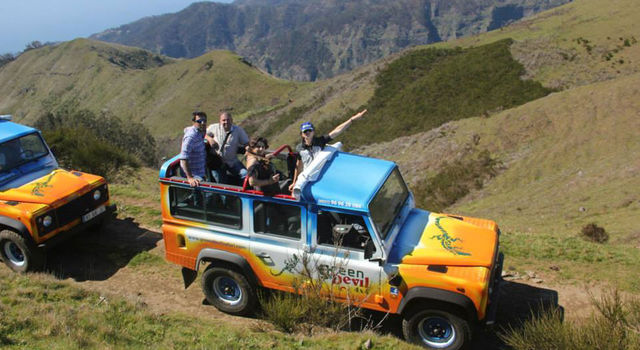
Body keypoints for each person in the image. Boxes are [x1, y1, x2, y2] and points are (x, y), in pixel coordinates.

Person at [289, 109, 367, 191]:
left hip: (321, 174)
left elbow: (336, 131)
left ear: (313, 132)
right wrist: (294, 182)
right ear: (302, 134)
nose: (307, 133)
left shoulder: (320, 141)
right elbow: (298, 165)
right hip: (307, 177)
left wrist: (352, 120)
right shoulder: (299, 148)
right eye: (305, 132)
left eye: (309, 131)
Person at [205, 112, 250, 184]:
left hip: (232, 161)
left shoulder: (238, 130)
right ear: (220, 121)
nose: (226, 122)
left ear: (232, 120)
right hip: (218, 162)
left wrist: (248, 150)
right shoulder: (214, 127)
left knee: (245, 174)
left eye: (228, 120)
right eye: (223, 120)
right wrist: (210, 139)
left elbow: (246, 143)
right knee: (220, 183)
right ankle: (223, 195)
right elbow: (203, 134)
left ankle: (242, 193)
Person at [179, 111, 208, 187]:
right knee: (206, 196)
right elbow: (183, 158)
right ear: (194, 122)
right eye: (199, 121)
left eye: (204, 121)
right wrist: (190, 177)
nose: (202, 123)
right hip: (194, 176)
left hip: (200, 172)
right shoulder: (191, 137)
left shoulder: (201, 132)